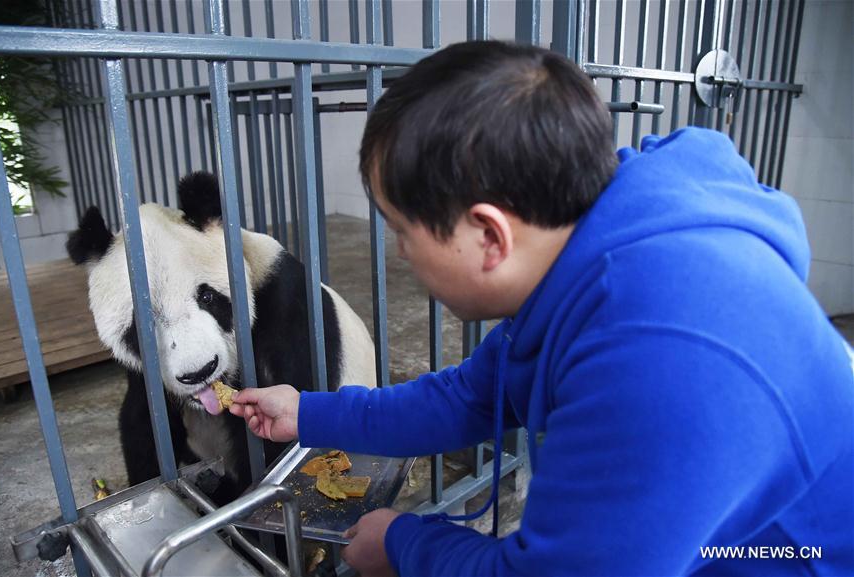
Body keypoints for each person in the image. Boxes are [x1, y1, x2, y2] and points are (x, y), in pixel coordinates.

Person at [230, 41, 854, 576]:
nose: (398, 252)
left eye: (400, 230)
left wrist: (403, 543)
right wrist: (308, 412)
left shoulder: (659, 355)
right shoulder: (596, 243)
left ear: (489, 236)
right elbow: (471, 397)